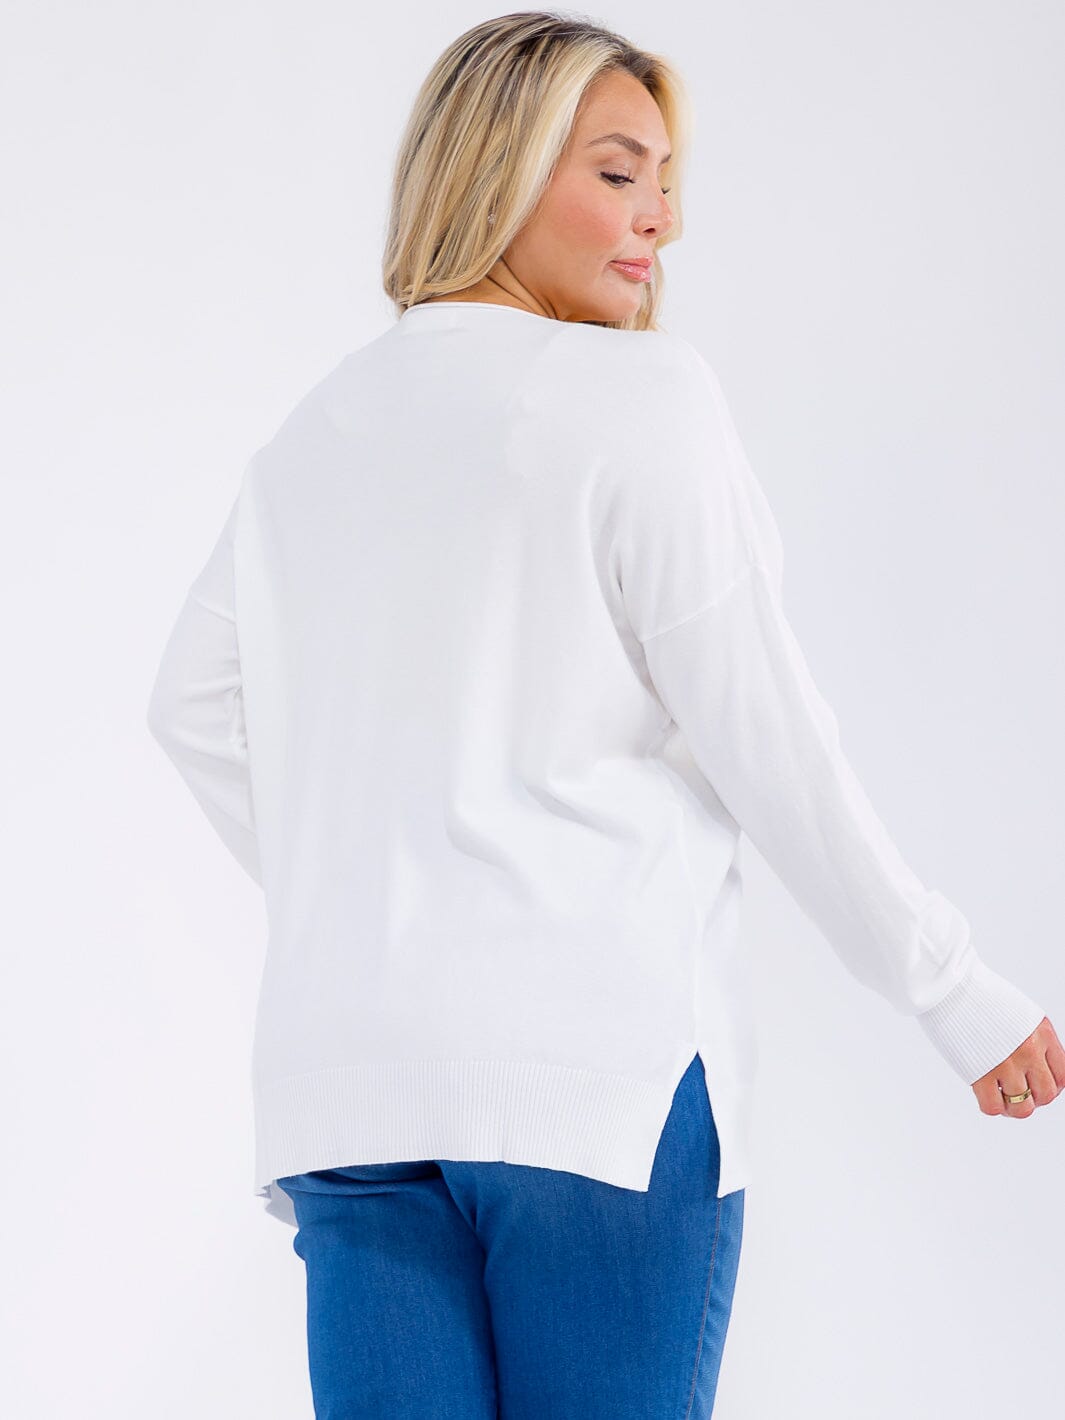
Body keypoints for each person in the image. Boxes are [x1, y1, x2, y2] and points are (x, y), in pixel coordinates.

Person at [145, 11, 1062, 1418]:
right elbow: (766, 733)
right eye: (621, 173)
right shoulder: (638, 397)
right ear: (498, 171)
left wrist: (381, 884)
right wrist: (951, 989)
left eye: (666, 181)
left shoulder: (316, 429)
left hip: (354, 1080)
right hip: (591, 1084)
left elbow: (192, 704)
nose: (661, 221)